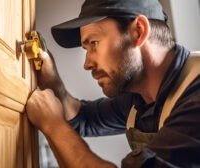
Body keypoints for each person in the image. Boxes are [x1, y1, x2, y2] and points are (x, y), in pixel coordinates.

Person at [26, 0, 200, 167]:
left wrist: (54, 126)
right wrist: (51, 80)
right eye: (86, 49)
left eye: (94, 43)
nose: (87, 64)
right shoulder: (140, 97)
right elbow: (83, 118)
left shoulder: (195, 97)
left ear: (139, 31)